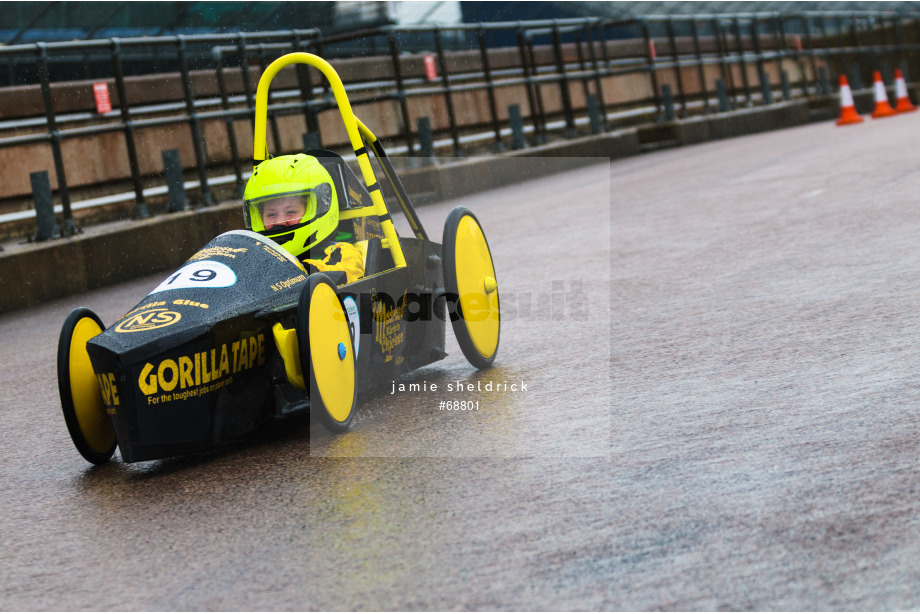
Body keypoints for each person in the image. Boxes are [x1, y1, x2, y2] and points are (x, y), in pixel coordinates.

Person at [243, 153, 365, 283]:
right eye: (271, 214)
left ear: (320, 206)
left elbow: (344, 275)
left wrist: (302, 272)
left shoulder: (341, 251)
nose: (280, 221)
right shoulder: (258, 259)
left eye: (291, 212)